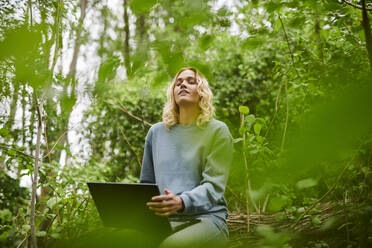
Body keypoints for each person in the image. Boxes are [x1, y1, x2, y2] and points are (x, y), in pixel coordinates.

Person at [140, 67, 234, 248]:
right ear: (173, 93)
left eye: (191, 81)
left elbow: (214, 187)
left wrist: (181, 201)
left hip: (206, 219)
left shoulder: (217, 131)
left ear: (202, 92)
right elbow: (146, 185)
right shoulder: (156, 132)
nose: (183, 84)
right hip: (164, 222)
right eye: (178, 82)